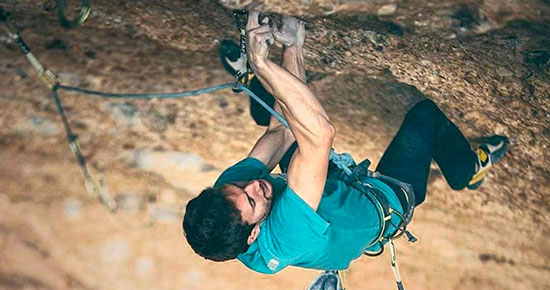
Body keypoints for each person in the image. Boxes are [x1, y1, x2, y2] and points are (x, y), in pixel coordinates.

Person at [182, 11, 509, 276]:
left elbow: (280, 133)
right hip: (382, 204)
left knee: (278, 120)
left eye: (240, 187)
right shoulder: (284, 237)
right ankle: (467, 171)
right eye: (251, 201)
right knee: (424, 118)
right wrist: (262, 64)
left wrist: (293, 47)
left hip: (322, 197)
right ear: (253, 234)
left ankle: (261, 86)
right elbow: (320, 133)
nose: (254, 185)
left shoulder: (229, 199)